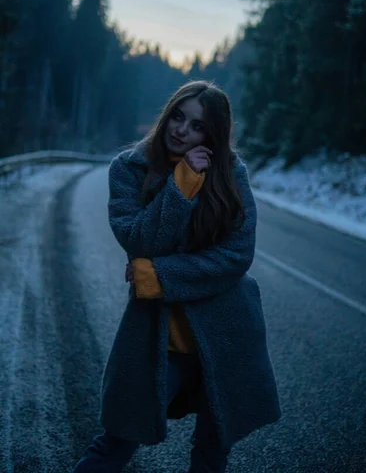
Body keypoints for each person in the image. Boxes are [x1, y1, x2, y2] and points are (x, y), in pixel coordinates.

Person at [73, 80, 281, 473]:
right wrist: (181, 183)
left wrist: (158, 274)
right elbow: (139, 239)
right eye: (178, 116)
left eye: (197, 126)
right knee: (116, 440)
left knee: (213, 449)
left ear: (214, 133)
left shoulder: (231, 171)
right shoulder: (129, 168)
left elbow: (238, 255)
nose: (181, 130)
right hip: (160, 336)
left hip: (226, 333)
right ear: (167, 114)